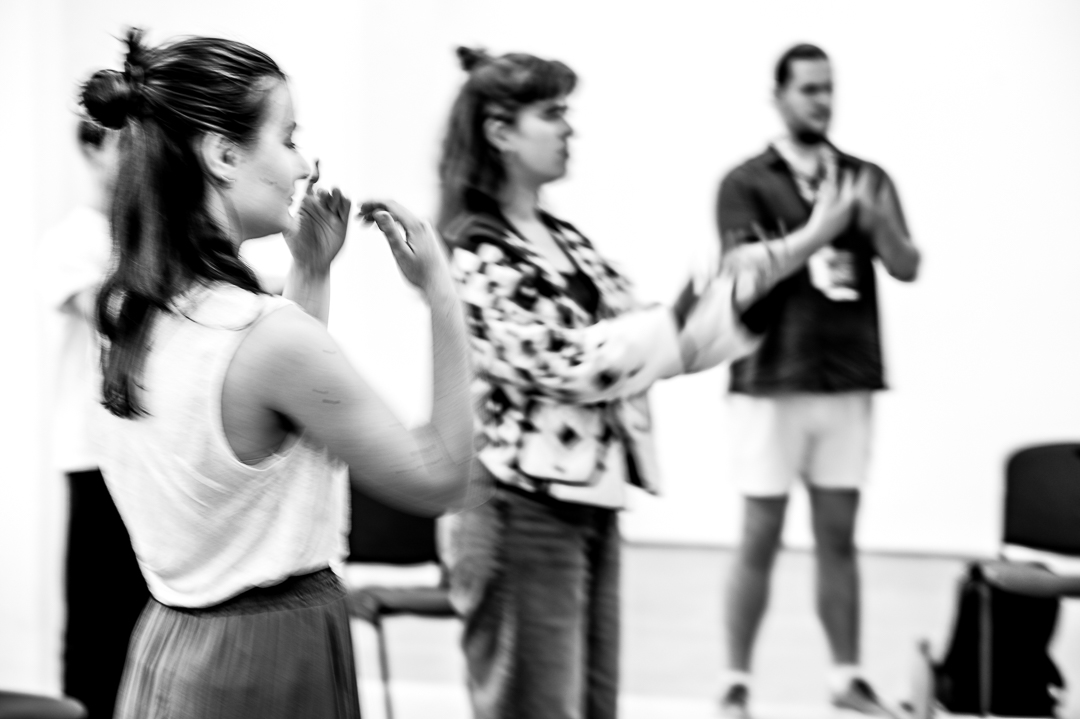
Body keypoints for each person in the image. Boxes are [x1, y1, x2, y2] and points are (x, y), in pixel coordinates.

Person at [436, 47, 858, 719]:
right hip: (518, 510)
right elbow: (572, 364)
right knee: (536, 707)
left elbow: (661, 341)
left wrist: (765, 275)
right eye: (552, 115)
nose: (570, 128)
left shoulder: (566, 239)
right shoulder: (474, 247)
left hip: (587, 502)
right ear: (500, 132)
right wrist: (683, 317)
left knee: (594, 705)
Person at [82, 28, 475, 718]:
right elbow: (440, 476)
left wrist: (313, 271)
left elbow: (259, 444)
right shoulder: (263, 333)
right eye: (289, 138)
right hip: (266, 654)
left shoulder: (129, 315)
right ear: (224, 153)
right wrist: (443, 297)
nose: (302, 166)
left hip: (169, 643)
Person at [715, 43, 921, 718]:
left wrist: (875, 218)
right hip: (772, 379)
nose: (821, 101)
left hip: (849, 380)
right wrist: (823, 227)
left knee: (839, 534)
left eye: (828, 88)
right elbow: (745, 268)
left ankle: (847, 676)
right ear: (778, 95)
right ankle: (735, 681)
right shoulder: (746, 180)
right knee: (759, 533)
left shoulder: (866, 175)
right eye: (808, 89)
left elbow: (906, 263)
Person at [37, 118, 149, 719]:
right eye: (123, 143)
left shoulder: (144, 241)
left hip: (149, 459)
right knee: (95, 635)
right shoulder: (70, 240)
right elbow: (115, 311)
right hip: (92, 458)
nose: (138, 158)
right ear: (90, 147)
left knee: (146, 625)